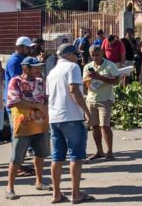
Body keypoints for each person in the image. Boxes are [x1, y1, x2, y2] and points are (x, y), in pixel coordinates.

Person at [47, 44, 96, 204]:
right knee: (75, 155)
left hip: (55, 117)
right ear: (68, 54)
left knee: (57, 157)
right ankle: (75, 194)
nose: (78, 57)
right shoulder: (72, 67)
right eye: (76, 54)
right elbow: (73, 90)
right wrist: (87, 113)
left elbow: (51, 95)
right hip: (72, 117)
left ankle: (56, 193)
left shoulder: (52, 72)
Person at [5, 57, 52, 200]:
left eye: (39, 67)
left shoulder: (40, 82)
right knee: (17, 158)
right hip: (23, 125)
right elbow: (16, 103)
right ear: (25, 68)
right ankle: (10, 188)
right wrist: (38, 106)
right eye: (35, 67)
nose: (38, 70)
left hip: (40, 124)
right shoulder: (16, 82)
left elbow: (46, 100)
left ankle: (39, 182)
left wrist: (41, 106)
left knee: (40, 154)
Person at [83, 46, 120, 161]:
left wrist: (100, 77)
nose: (95, 57)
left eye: (97, 54)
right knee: (95, 126)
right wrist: (88, 80)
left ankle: (110, 151)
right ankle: (99, 151)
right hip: (91, 100)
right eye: (92, 55)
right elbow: (85, 84)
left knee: (105, 126)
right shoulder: (87, 67)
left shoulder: (109, 65)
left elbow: (116, 81)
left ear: (102, 53)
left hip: (105, 100)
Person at [5, 37, 35, 176]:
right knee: (17, 133)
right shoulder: (15, 61)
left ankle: (19, 164)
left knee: (22, 132)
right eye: (27, 47)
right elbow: (17, 81)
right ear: (20, 47)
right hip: (16, 103)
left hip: (22, 102)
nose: (30, 49)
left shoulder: (21, 60)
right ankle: (16, 165)